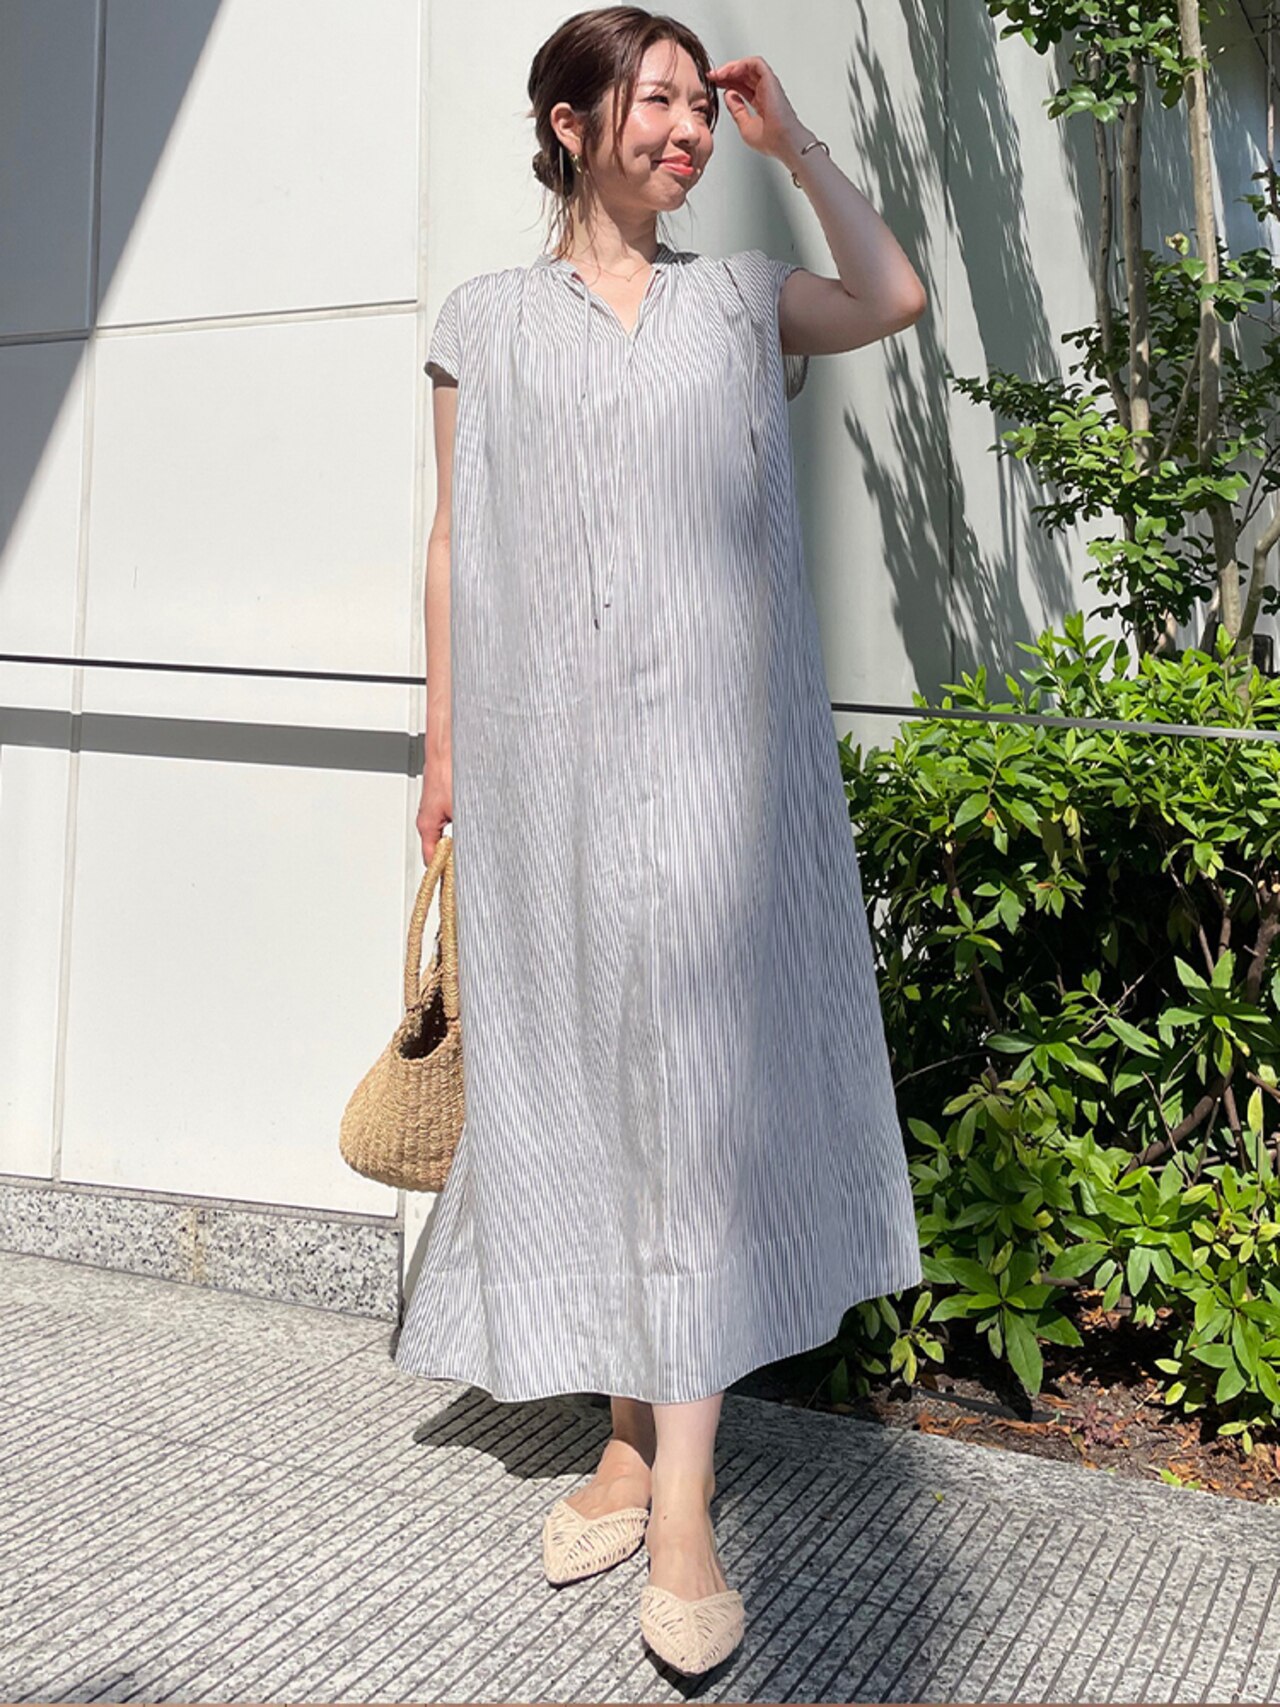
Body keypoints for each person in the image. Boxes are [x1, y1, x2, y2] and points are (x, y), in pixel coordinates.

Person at [394, 4, 927, 1678]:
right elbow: (454, 539)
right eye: (662, 103)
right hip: (545, 772)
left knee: (691, 1097)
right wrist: (445, 749)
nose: (690, 130)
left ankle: (683, 1501)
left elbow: (894, 298)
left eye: (703, 106)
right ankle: (627, 1439)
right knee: (590, 1086)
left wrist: (796, 149)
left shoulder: (741, 300)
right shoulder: (483, 321)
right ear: (570, 123)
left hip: (720, 777)